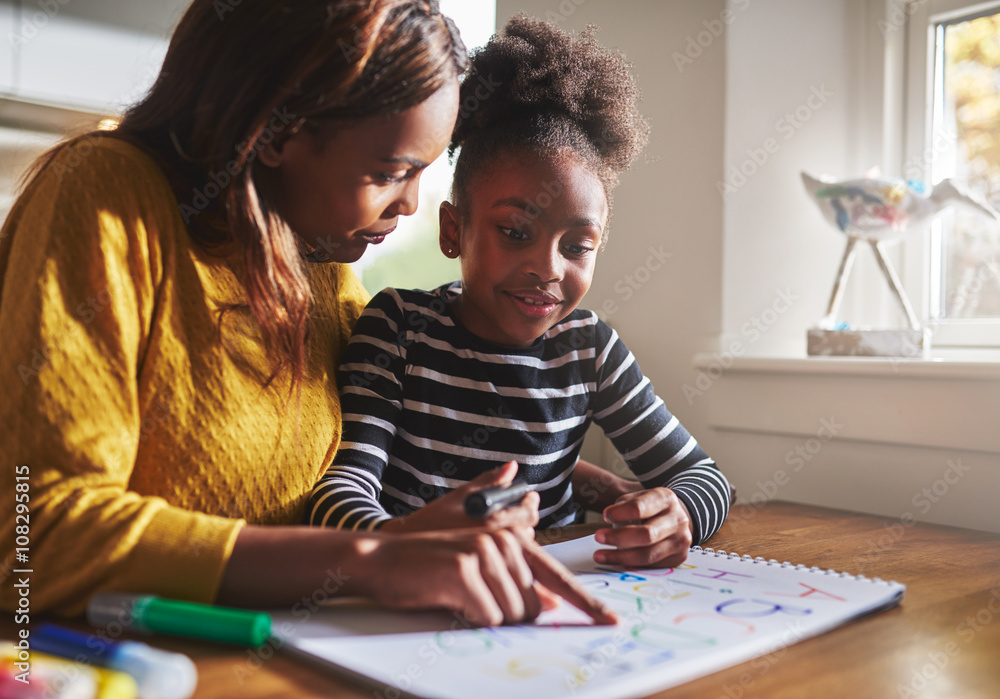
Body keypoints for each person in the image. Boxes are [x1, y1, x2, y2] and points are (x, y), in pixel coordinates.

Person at [0, 0, 616, 629]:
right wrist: (373, 557)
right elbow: (35, 532)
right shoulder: (105, 199)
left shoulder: (316, 259)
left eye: (420, 175)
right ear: (274, 133)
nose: (407, 204)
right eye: (388, 172)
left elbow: (407, 408)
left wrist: (605, 490)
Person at [307, 16, 732, 568]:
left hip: (540, 602)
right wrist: (403, 545)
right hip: (410, 600)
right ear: (454, 231)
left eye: (579, 245)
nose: (547, 268)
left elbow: (706, 478)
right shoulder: (397, 327)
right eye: (515, 232)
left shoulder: (591, 350)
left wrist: (680, 513)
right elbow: (338, 494)